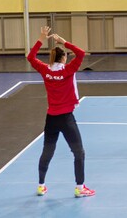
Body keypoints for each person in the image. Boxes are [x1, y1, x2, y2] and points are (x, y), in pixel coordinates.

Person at [27, 26, 95, 198]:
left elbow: (30, 57)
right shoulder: (67, 70)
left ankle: (41, 185)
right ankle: (80, 188)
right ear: (64, 58)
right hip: (66, 119)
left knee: (47, 152)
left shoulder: (45, 70)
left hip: (51, 118)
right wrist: (64, 42)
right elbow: (80, 53)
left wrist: (41, 38)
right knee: (79, 152)